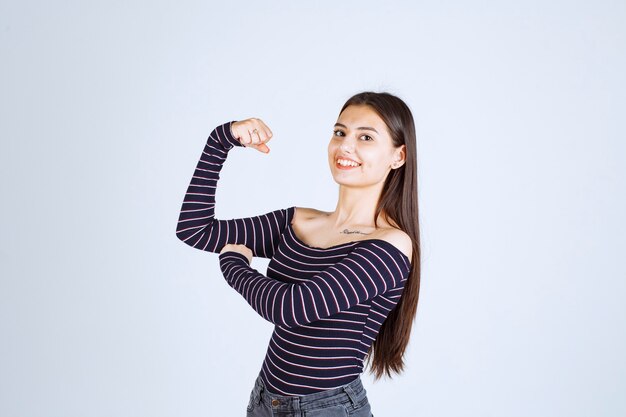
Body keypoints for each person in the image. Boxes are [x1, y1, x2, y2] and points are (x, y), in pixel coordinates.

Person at [175, 91, 421, 417]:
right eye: (340, 132)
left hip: (328, 408)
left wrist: (234, 264)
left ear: (398, 156)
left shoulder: (391, 246)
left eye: (365, 137)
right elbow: (195, 229)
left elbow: (291, 308)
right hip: (266, 397)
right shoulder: (300, 221)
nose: (346, 146)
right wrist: (220, 140)